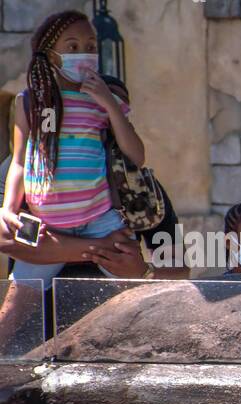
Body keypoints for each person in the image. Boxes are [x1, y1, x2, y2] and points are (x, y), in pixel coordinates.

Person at [2, 11, 145, 293]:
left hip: (99, 218)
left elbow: (137, 156)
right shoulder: (37, 103)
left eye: (90, 47)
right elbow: (21, 161)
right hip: (46, 225)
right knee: (18, 301)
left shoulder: (104, 101)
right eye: (72, 47)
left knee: (136, 288)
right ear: (51, 54)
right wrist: (9, 207)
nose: (84, 53)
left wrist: (109, 103)